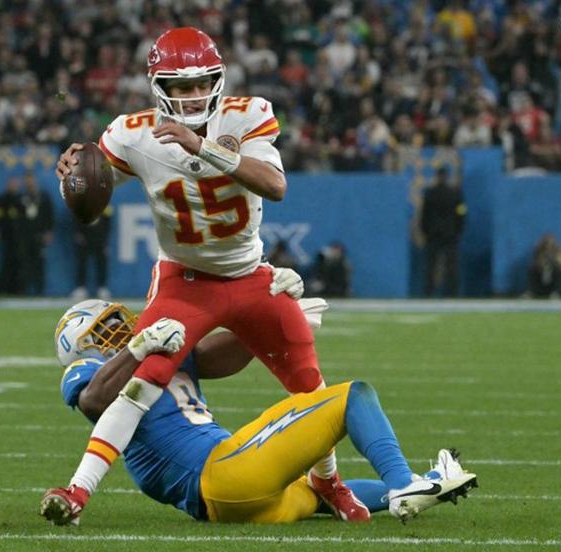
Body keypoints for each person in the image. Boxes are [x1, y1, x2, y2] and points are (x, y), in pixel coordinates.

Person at [52, 27, 344, 524]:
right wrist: (73, 173)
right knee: (145, 376)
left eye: (200, 83)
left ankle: (331, 484)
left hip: (248, 273)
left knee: (307, 379)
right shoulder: (132, 132)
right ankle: (78, 491)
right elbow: (89, 185)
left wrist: (201, 146)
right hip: (184, 277)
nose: (191, 95)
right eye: (180, 86)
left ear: (219, 79)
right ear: (158, 85)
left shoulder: (248, 113)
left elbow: (275, 185)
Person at [41, 299, 478, 525]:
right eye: (108, 328)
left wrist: (276, 314)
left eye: (120, 322)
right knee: (352, 396)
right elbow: (96, 400)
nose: (123, 329)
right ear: (84, 346)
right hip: (221, 473)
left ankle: (425, 485)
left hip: (233, 500)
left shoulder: (159, 349)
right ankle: (404, 485)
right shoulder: (89, 370)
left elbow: (226, 352)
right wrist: (138, 348)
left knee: (317, 496)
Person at [420, 166, 466, 297]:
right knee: (451, 266)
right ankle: (452, 293)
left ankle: (428, 293)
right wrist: (458, 230)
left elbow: (424, 215)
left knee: (431, 266)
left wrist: (425, 231)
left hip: (433, 234)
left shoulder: (430, 193)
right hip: (450, 233)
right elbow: (461, 213)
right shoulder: (455, 194)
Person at [19, 171, 55, 295]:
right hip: (25, 235)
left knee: (39, 263)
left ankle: (40, 290)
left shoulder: (43, 197)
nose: (29, 183)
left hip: (39, 235)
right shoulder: (21, 198)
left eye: (31, 180)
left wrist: (49, 231)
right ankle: (24, 290)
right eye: (27, 180)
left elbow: (50, 215)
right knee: (25, 263)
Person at [0, 176, 24, 294]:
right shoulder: (2, 200)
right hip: (6, 237)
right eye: (11, 184)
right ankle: (5, 289)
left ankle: (19, 290)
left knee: (20, 263)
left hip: (20, 237)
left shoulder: (22, 199)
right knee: (7, 262)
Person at [70, 206, 113, 301]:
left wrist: (105, 239)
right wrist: (78, 232)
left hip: (99, 238)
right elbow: (75, 217)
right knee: (82, 262)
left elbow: (107, 221)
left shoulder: (104, 202)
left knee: (101, 263)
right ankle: (81, 287)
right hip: (84, 237)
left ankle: (102, 287)